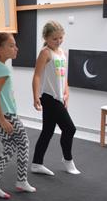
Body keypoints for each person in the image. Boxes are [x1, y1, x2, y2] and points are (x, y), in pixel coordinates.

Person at [0, 32, 36, 199]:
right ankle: (21, 181)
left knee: (10, 147)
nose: (16, 49)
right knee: (24, 143)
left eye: (15, 45)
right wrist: (3, 119)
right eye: (11, 46)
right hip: (5, 115)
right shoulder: (2, 69)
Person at [31, 21, 80, 175]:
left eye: (60, 38)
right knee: (70, 128)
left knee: (47, 131)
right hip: (48, 97)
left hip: (59, 97)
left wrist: (66, 93)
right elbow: (37, 76)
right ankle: (68, 160)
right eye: (54, 39)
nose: (58, 41)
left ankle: (36, 163)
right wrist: (35, 96)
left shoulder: (62, 53)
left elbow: (63, 77)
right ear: (46, 38)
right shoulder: (45, 53)